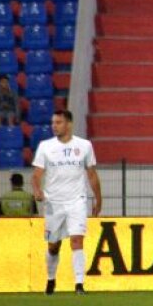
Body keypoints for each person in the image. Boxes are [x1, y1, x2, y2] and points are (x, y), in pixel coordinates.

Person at [32, 109, 102, 295]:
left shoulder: (84, 145)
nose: (54, 126)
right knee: (53, 246)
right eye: (53, 122)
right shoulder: (45, 146)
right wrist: (37, 190)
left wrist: (98, 198)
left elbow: (92, 174)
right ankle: (51, 279)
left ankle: (79, 284)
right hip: (53, 202)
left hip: (77, 200)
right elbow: (37, 174)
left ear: (69, 124)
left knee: (77, 240)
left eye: (58, 122)